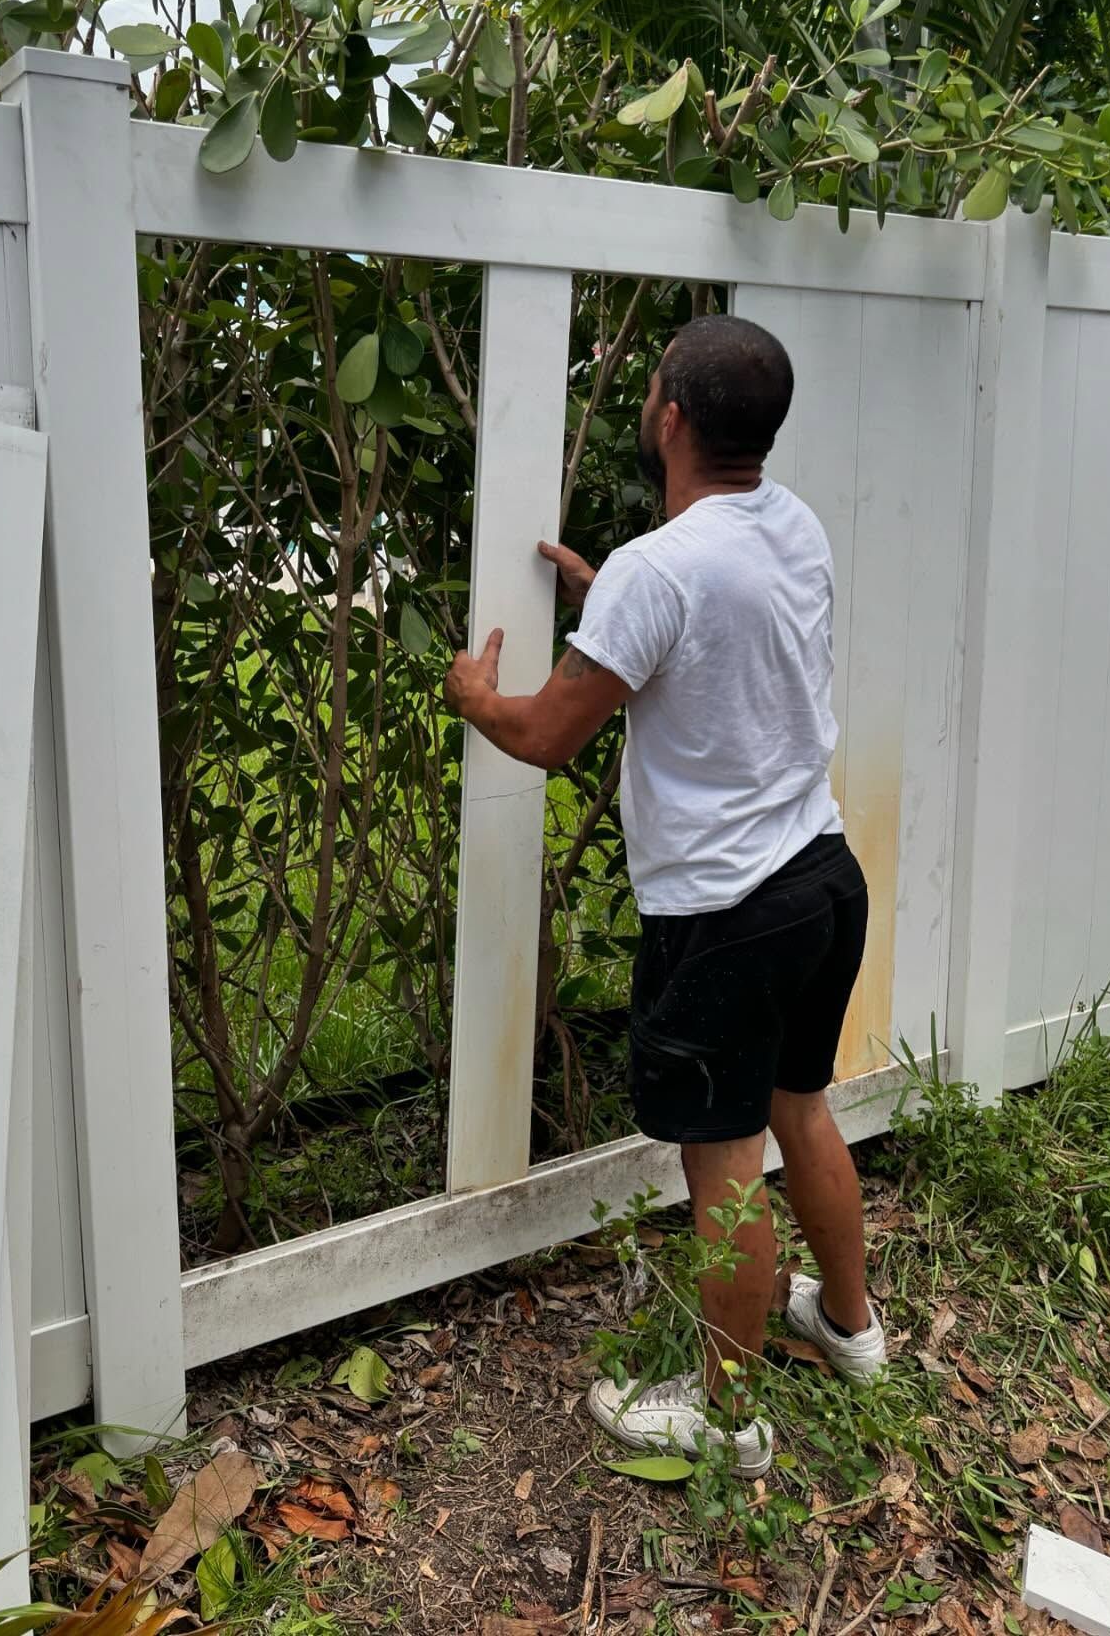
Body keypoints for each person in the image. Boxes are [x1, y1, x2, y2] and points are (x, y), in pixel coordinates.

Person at [443, 314, 887, 1481]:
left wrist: (475, 698)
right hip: (821, 882)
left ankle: (727, 1425)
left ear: (671, 417)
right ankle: (849, 1330)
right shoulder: (789, 527)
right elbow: (716, 635)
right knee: (803, 1108)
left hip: (729, 915)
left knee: (725, 1162)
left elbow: (544, 736)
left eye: (649, 391)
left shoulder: (662, 570)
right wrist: (612, 607)